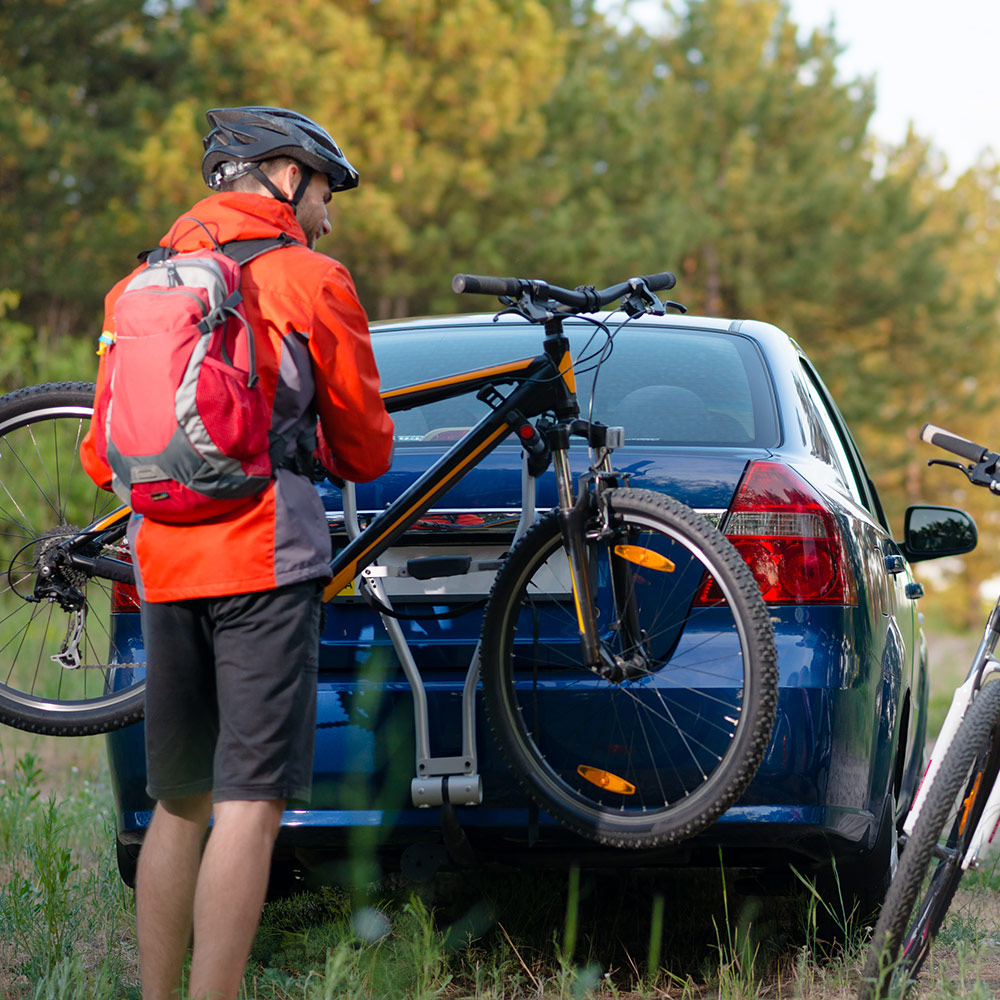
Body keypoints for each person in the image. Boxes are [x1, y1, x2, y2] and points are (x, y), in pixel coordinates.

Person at [81, 106, 394, 1000]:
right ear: (286, 178)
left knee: (179, 800)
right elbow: (367, 449)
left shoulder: (134, 287)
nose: (329, 214)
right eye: (327, 191)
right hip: (264, 562)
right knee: (251, 804)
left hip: (162, 569)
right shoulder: (311, 279)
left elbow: (101, 455)